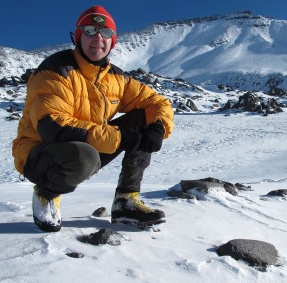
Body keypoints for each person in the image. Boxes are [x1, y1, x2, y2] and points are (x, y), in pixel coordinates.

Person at [12, 6, 174, 232]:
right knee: (84, 156)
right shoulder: (55, 71)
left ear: (113, 41)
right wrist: (120, 138)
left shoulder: (115, 77)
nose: (98, 37)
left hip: (87, 146)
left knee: (145, 118)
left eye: (105, 33)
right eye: (90, 30)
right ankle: (46, 193)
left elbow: (157, 102)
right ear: (78, 36)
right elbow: (53, 126)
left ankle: (126, 201)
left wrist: (157, 127)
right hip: (40, 154)